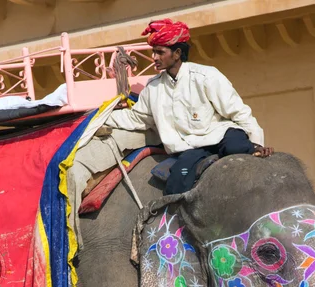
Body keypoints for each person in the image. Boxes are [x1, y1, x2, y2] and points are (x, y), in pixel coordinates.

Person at [106, 18, 274, 195]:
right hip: (190, 149)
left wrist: (256, 142)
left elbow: (239, 112)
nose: (154, 57)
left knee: (237, 149)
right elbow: (137, 118)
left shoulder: (206, 76)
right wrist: (99, 120)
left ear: (177, 53)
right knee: (177, 182)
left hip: (222, 135)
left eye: (159, 52)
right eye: (153, 52)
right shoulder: (153, 88)